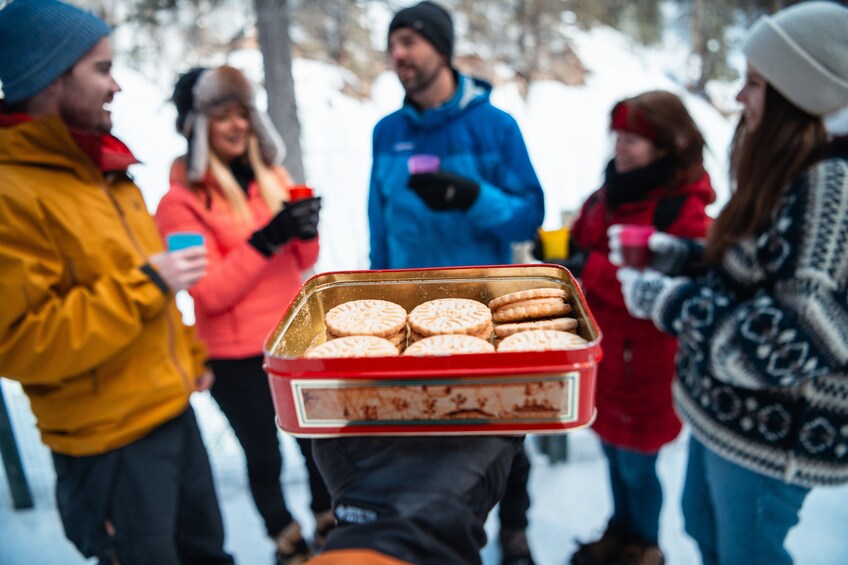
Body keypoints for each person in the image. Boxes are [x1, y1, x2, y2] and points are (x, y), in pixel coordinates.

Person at [614, 3, 848, 564]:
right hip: (726, 415)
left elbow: (798, 331)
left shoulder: (830, 185)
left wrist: (668, 302)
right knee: (703, 528)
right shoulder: (791, 168)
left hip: (772, 435)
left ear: (802, 93)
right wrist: (681, 259)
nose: (740, 98)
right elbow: (759, 271)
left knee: (745, 553)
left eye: (756, 84)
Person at [0, 1, 233, 564]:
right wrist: (147, 282)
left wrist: (188, 352)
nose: (117, 86)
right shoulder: (12, 193)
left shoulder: (107, 171)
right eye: (102, 69)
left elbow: (144, 291)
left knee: (209, 555)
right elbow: (19, 343)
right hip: (108, 448)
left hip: (172, 414)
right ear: (50, 78)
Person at [312, 3, 543, 565]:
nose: (399, 55)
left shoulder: (495, 125)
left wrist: (474, 197)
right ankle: (440, 532)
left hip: (484, 311)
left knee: (502, 431)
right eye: (393, 43)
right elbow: (379, 222)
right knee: (426, 435)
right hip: (408, 319)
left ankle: (515, 532)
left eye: (411, 41)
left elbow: (528, 213)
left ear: (441, 47)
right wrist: (376, 296)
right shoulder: (387, 132)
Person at [154, 65, 328, 565]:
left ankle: (327, 522)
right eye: (223, 116)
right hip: (234, 355)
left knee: (315, 445)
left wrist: (304, 228)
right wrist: (268, 237)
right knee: (265, 455)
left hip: (292, 340)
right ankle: (286, 537)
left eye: (243, 114)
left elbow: (303, 261)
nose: (237, 126)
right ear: (198, 125)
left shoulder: (272, 178)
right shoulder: (180, 203)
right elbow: (207, 293)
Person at [563, 91, 714, 565]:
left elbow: (668, 290)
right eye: (618, 138)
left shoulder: (683, 212)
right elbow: (583, 245)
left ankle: (644, 546)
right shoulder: (608, 193)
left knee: (637, 466)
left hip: (648, 366)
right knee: (612, 452)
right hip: (605, 358)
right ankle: (620, 532)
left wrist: (589, 269)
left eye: (633, 140)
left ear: (666, 146)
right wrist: (564, 254)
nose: (620, 149)